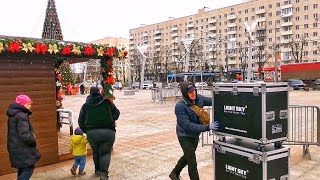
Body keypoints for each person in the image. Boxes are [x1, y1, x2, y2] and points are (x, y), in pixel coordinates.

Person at [169, 82, 219, 180]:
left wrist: (225, 98)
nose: (193, 94)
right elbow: (187, 126)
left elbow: (214, 101)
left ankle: (174, 173)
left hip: (195, 136)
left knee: (187, 157)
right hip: (184, 136)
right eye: (190, 92)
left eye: (194, 91)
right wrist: (207, 127)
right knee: (192, 162)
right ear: (185, 94)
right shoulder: (180, 106)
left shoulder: (199, 99)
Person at [78, 87, 120, 180]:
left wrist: (86, 130)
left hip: (92, 133)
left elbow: (80, 121)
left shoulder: (85, 106)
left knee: (96, 152)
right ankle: (104, 174)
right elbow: (116, 114)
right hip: (108, 132)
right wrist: (111, 120)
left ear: (90, 93)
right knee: (105, 153)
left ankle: (97, 171)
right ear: (99, 92)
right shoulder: (107, 102)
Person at [6, 95, 41, 180]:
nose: (30, 106)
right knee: (29, 168)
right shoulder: (22, 116)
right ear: (22, 105)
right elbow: (25, 134)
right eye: (28, 104)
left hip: (15, 146)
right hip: (22, 148)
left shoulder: (13, 114)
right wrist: (33, 140)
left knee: (22, 168)